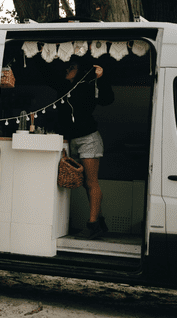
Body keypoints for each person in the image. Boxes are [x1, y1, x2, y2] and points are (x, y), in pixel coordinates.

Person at [55, 58, 114, 239]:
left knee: (91, 182)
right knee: (86, 185)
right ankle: (99, 221)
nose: (67, 69)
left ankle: (93, 225)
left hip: (88, 138)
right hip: (72, 140)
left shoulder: (88, 86)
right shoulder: (65, 88)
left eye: (72, 67)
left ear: (80, 71)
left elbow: (107, 99)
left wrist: (101, 78)